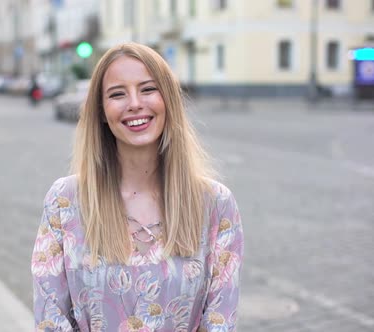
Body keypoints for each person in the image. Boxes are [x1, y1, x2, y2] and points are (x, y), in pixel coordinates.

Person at [31, 42, 244, 331]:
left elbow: (220, 321)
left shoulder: (216, 204)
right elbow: (50, 318)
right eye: (117, 94)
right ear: (102, 112)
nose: (134, 103)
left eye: (147, 89)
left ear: (168, 100)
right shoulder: (65, 202)